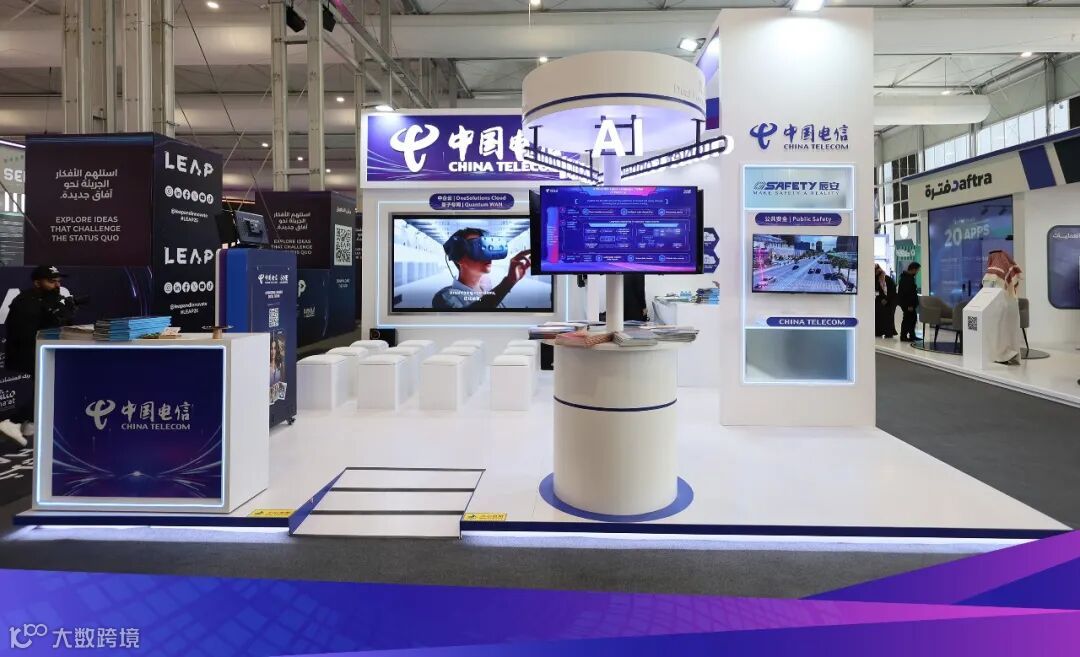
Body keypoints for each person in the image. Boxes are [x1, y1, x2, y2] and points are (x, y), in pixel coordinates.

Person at [0, 265, 77, 445]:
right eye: (51, 281)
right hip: (28, 352)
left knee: (50, 386)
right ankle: (13, 421)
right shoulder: (25, 301)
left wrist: (66, 313)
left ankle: (30, 424)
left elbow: (59, 324)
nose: (57, 285)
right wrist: (55, 316)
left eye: (58, 281)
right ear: (37, 283)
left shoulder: (50, 298)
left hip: (44, 350)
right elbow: (27, 334)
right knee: (47, 387)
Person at [432, 228, 531, 310]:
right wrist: (508, 282)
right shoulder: (444, 297)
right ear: (459, 258)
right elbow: (468, 317)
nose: (487, 255)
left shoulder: (489, 291)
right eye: (478, 248)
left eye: (487, 248)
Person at [982, 250, 1026, 365]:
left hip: (999, 308)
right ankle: (1012, 354)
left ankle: (1001, 356)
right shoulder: (1010, 271)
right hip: (1012, 308)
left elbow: (988, 292)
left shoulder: (993, 272)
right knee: (1011, 334)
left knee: (999, 335)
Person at [897, 262, 921, 342]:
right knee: (908, 319)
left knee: (912, 319)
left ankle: (912, 335)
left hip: (909, 304)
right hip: (908, 304)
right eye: (917, 270)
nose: (917, 272)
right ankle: (903, 336)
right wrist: (910, 305)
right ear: (913, 269)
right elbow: (907, 293)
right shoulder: (907, 279)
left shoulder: (908, 277)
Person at [874, 264, 897, 338]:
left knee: (888, 318)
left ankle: (888, 333)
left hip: (889, 302)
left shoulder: (887, 279)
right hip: (879, 301)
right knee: (878, 317)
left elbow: (892, 291)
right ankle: (879, 332)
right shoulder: (875, 278)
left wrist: (886, 299)